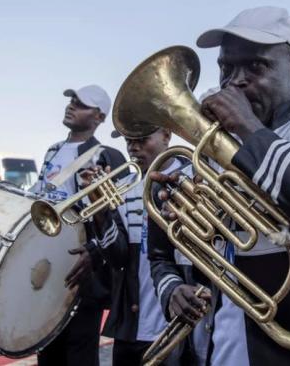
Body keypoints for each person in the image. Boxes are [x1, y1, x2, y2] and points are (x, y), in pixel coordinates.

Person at [149, 6, 290, 365]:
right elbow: (220, 254)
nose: (235, 81)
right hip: (225, 345)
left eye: (256, 67)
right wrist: (183, 205)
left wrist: (248, 127)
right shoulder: (221, 142)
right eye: (226, 67)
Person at [84, 128, 203, 365]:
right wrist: (100, 209)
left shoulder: (195, 175)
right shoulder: (124, 186)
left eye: (142, 139)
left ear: (167, 135)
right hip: (133, 326)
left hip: (182, 320)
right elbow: (117, 257)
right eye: (129, 141)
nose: (133, 147)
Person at [29, 85, 127, 366]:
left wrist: (95, 253)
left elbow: (115, 218)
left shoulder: (106, 155)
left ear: (98, 116)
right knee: (47, 351)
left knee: (79, 353)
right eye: (71, 101)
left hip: (81, 268)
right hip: (48, 263)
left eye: (81, 104)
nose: (71, 106)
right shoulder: (53, 150)